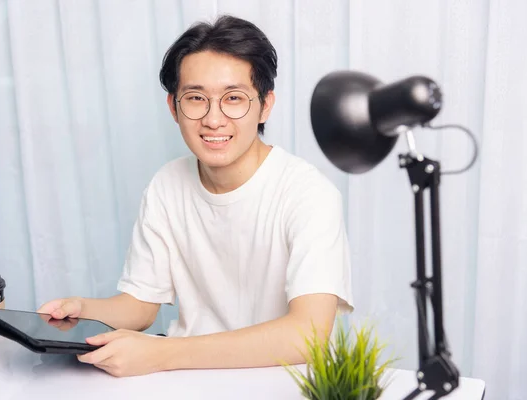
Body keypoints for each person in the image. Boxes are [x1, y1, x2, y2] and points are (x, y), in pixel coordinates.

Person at [38, 14, 353, 377]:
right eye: (195, 98)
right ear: (174, 107)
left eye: (233, 98)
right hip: (187, 378)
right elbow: (140, 306)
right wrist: (83, 309)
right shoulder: (167, 184)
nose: (213, 119)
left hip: (280, 381)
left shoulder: (308, 194)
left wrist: (163, 354)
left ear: (265, 105)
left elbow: (307, 335)